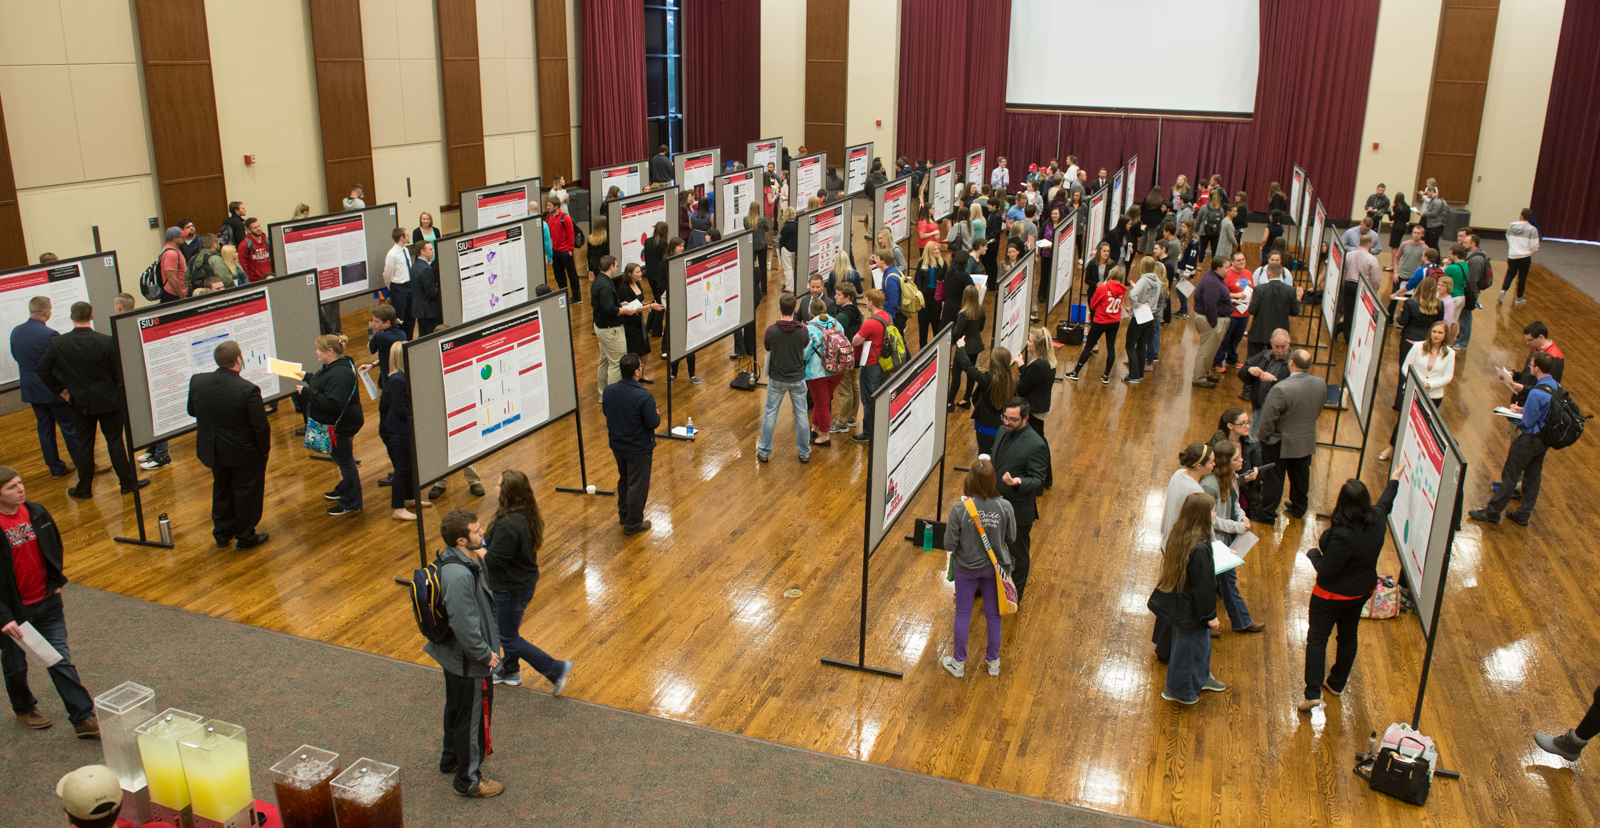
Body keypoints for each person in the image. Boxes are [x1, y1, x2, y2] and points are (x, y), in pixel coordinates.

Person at [0, 467, 99, 738]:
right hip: (14, 614)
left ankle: (83, 718)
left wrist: (55, 584)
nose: (20, 489)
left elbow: (54, 545)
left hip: (47, 601)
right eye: (11, 487)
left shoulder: (36, 512)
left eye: (20, 483)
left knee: (60, 660)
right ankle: (23, 707)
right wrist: (3, 616)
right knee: (16, 665)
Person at [1299, 472, 1400, 711]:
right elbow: (1386, 501)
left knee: (1317, 639)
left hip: (1330, 595)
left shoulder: (1342, 535)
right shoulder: (1377, 517)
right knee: (1347, 635)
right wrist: (1394, 479)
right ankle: (1336, 683)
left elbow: (1328, 569)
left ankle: (1313, 691)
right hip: (1361, 591)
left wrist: (1313, 552)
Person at [424, 509, 503, 798]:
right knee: (472, 720)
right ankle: (468, 781)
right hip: (470, 663)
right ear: (461, 539)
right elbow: (465, 626)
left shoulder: (455, 560)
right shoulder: (459, 578)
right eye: (476, 531)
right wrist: (485, 655)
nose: (482, 533)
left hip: (454, 658)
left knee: (456, 709)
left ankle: (451, 759)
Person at [36, 303, 146, 497]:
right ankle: (127, 483)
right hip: (109, 401)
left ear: (71, 317)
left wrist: (60, 390)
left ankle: (84, 488)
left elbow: (43, 370)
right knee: (115, 441)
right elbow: (119, 373)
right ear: (92, 316)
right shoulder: (106, 341)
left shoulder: (59, 343)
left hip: (79, 401)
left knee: (84, 444)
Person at [484, 469, 572, 693]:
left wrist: (477, 546)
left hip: (510, 588)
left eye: (498, 485)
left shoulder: (507, 524)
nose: (495, 487)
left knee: (508, 638)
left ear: (508, 493)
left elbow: (494, 560)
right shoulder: (526, 515)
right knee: (509, 630)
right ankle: (510, 670)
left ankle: (556, 669)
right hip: (522, 583)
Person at [187, 341, 271, 548]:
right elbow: (260, 427)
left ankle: (222, 534)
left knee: (222, 489)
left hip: (214, 450)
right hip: (244, 453)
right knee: (246, 493)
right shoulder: (248, 390)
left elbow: (192, 411)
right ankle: (245, 536)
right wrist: (263, 452)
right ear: (238, 360)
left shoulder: (198, 381)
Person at [940, 458, 1015, 678]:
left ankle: (958, 663)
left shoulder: (959, 509)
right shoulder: (1005, 506)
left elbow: (949, 544)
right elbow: (1011, 537)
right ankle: (993, 662)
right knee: (993, 616)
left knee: (963, 614)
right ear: (993, 479)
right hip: (995, 569)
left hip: (966, 568)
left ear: (970, 479)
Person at [1471, 351, 1560, 526]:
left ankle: (1493, 512)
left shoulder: (1535, 393)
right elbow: (1542, 412)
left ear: (1538, 368)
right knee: (1533, 477)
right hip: (1544, 440)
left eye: (1532, 365)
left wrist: (1511, 414)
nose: (1530, 368)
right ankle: (1523, 515)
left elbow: (1527, 422)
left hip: (1529, 440)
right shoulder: (1556, 386)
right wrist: (1523, 410)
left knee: (1510, 476)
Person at [1151, 491, 1223, 704]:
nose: (1215, 513)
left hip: (1181, 603)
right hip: (1191, 610)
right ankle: (1179, 690)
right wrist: (1210, 615)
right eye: (1212, 510)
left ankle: (1200, 678)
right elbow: (1203, 587)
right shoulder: (1199, 547)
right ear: (1202, 515)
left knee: (1198, 647)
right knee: (1189, 650)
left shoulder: (1181, 533)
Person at [10, 298, 80, 481]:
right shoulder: (50, 335)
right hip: (53, 390)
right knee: (69, 427)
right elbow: (60, 363)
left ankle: (56, 469)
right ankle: (82, 465)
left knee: (45, 429)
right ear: (47, 312)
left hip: (31, 390)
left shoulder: (16, 332)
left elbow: (16, 356)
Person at [1201, 441, 1265, 636]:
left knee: (1228, 581)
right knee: (1208, 584)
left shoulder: (1230, 478)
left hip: (1226, 539)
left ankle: (1240, 621)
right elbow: (1210, 521)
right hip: (1213, 541)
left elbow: (1235, 503)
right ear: (1224, 462)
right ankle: (1210, 625)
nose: (1242, 460)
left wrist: (1242, 517)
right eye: (1237, 458)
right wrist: (1237, 526)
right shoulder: (1208, 486)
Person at [296, 334, 364, 516]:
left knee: (345, 462)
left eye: (319, 349)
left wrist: (308, 392)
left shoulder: (339, 374)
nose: (316, 352)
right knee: (343, 459)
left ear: (330, 351)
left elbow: (334, 403)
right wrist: (307, 377)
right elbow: (324, 384)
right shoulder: (336, 365)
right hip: (338, 425)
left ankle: (352, 501)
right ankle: (344, 488)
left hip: (340, 427)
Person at [989, 398, 1048, 600]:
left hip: (1017, 511)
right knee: (992, 551)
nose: (1007, 422)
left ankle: (1015, 596)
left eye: (1012, 419)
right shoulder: (1001, 431)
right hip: (994, 505)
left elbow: (1038, 480)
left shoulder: (1036, 444)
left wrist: (1018, 482)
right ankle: (989, 588)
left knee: (1018, 556)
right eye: (1005, 417)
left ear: (1025, 418)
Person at [1252, 350, 1322, 520]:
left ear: (1291, 363)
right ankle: (1299, 508)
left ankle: (1268, 513)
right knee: (1301, 476)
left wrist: (1263, 438)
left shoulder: (1281, 388)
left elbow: (1268, 419)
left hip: (1280, 441)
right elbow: (1318, 410)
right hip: (1305, 439)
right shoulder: (1320, 383)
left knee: (1274, 478)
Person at [1379, 320, 1454, 460]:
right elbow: (1405, 367)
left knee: (1424, 426)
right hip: (1412, 390)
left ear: (1445, 335)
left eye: (1440, 332)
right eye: (1434, 331)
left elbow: (1448, 377)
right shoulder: (1418, 347)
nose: (1436, 335)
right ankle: (1391, 448)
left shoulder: (1450, 354)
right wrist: (1416, 381)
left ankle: (1414, 455)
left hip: (1434, 395)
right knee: (1403, 420)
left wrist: (1429, 385)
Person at [602, 354, 659, 535]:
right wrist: (655, 414)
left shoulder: (609, 391)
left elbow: (606, 411)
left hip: (618, 445)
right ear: (636, 371)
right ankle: (633, 524)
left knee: (624, 480)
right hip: (638, 448)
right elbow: (653, 423)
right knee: (637, 485)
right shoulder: (644, 397)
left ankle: (624, 515)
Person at [757, 294, 812, 463]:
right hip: (797, 378)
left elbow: (768, 347)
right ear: (795, 310)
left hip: (777, 379)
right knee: (802, 415)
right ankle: (804, 452)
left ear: (780, 308)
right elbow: (805, 344)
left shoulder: (771, 331)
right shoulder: (803, 330)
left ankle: (765, 451)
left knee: (770, 414)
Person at [375, 340, 420, 521]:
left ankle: (409, 498)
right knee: (401, 469)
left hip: (403, 430)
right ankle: (398, 507)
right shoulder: (397, 379)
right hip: (399, 431)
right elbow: (401, 409)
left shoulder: (401, 377)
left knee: (408, 467)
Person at [952, 342, 1015, 456]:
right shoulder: (1012, 381)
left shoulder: (988, 379)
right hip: (1004, 428)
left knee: (984, 457)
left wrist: (960, 347)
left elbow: (968, 367)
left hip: (986, 429)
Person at [1066, 265, 1127, 384]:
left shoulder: (1103, 288)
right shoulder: (1122, 290)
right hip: (1114, 322)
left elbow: (1093, 304)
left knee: (1089, 346)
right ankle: (1106, 376)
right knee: (1111, 347)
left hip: (1100, 321)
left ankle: (1075, 372)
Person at [849, 289, 893, 443]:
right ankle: (882, 428)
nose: (866, 303)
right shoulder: (888, 317)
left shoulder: (870, 322)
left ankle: (868, 433)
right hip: (885, 363)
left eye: (867, 300)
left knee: (868, 400)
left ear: (871, 302)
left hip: (870, 364)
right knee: (880, 397)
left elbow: (855, 341)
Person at [1015, 327, 1057, 487]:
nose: (1027, 343)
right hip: (1041, 407)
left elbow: (1022, 386)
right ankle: (1046, 478)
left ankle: (1043, 478)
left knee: (1037, 445)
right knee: (1041, 442)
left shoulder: (1037, 366)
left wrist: (1021, 369)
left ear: (1037, 346)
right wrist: (1022, 365)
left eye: (1030, 341)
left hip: (1034, 410)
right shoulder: (1048, 363)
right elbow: (1031, 379)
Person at [802, 297, 844, 447]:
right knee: (824, 400)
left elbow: (805, 354)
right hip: (838, 370)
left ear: (810, 311)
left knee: (821, 404)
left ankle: (824, 436)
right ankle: (815, 428)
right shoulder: (836, 323)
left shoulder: (809, 329)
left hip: (817, 372)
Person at [590, 255, 629, 398]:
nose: (617, 268)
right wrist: (626, 310)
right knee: (616, 363)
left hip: (601, 328)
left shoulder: (598, 280)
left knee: (604, 360)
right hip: (610, 329)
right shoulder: (606, 285)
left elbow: (601, 304)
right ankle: (612, 397)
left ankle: (603, 394)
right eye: (616, 266)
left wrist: (619, 304)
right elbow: (609, 309)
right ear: (611, 266)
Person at [1190, 258, 1232, 388]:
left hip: (1212, 319)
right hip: (1211, 321)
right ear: (1218, 269)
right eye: (1227, 267)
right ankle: (1199, 378)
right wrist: (1214, 324)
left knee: (1211, 350)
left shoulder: (1212, 277)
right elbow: (1210, 304)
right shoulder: (1213, 282)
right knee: (1206, 351)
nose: (1229, 270)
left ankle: (1205, 373)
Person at [1123, 257, 1163, 383]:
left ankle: (1133, 375)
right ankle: (1140, 373)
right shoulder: (1157, 281)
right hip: (1150, 315)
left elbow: (1133, 294)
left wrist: (1136, 305)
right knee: (1142, 344)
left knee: (1130, 345)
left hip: (1139, 316)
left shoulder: (1143, 280)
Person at [830, 284, 863, 433]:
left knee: (845, 391)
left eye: (838, 294)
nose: (835, 297)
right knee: (854, 386)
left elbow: (833, 336)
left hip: (843, 357)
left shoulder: (842, 316)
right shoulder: (856, 310)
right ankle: (851, 418)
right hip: (854, 355)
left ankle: (842, 423)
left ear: (847, 297)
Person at [618, 263, 660, 381]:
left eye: (640, 271)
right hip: (630, 324)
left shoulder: (637, 284)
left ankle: (642, 373)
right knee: (635, 351)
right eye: (637, 272)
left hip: (640, 322)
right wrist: (649, 306)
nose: (641, 273)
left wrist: (645, 304)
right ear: (630, 274)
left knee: (645, 350)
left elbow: (638, 303)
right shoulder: (624, 289)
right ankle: (634, 376)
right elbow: (631, 308)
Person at [1507, 321, 1564, 407]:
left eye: (1530, 340)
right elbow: (1527, 375)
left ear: (1541, 337)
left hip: (1533, 406)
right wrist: (1513, 375)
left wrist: (1523, 389)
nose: (1527, 343)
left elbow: (1550, 390)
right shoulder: (1535, 349)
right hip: (1522, 401)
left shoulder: (1555, 358)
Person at [1246, 266, 1299, 360]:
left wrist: (1251, 301)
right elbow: (1294, 312)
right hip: (1280, 334)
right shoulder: (1291, 290)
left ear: (1269, 273)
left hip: (1259, 332)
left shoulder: (1259, 289)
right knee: (1277, 362)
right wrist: (1297, 300)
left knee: (1254, 361)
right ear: (1281, 273)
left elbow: (1252, 311)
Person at [1239, 329, 1292, 412]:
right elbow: (1241, 372)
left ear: (1289, 344)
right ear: (1271, 343)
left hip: (1279, 413)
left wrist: (1274, 380)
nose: (1280, 351)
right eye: (1276, 347)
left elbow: (1293, 390)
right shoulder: (1263, 355)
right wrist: (1249, 370)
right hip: (1258, 409)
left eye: (1283, 347)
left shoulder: (1293, 363)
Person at [1501, 208, 1539, 305]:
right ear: (1530, 217)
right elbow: (1534, 245)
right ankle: (1519, 297)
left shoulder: (1511, 226)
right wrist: (1530, 251)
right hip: (1525, 256)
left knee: (1510, 273)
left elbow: (1508, 238)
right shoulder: (1532, 229)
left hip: (1512, 255)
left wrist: (1514, 247)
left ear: (1521, 215)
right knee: (1522, 276)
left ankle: (1503, 290)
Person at [545, 197, 580, 301]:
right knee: (559, 275)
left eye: (550, 205)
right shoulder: (548, 216)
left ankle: (576, 296)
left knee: (572, 275)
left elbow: (570, 234)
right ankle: (563, 294)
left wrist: (570, 250)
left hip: (565, 251)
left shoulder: (565, 217)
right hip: (555, 250)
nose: (548, 207)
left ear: (556, 206)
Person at [913, 242, 945, 348]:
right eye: (934, 249)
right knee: (923, 326)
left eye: (937, 249)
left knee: (936, 325)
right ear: (929, 251)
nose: (936, 251)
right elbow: (917, 281)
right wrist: (921, 299)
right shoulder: (921, 263)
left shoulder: (942, 264)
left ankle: (937, 349)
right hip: (924, 297)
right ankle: (922, 350)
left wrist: (944, 299)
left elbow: (946, 282)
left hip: (937, 297)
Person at [383, 228, 414, 335]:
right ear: (402, 238)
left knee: (410, 316)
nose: (409, 237)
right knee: (399, 316)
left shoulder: (405, 250)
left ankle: (409, 339)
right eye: (407, 235)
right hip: (399, 287)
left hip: (409, 286)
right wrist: (391, 287)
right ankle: (399, 340)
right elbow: (387, 273)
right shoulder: (392, 254)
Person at [410, 241, 442, 335]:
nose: (433, 251)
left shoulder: (414, 266)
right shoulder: (426, 269)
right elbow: (431, 292)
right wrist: (442, 290)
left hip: (419, 311)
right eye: (430, 249)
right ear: (422, 251)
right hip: (429, 312)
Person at [157, 227, 189, 302]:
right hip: (174, 294)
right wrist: (182, 296)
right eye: (181, 237)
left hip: (179, 292)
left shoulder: (173, 249)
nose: (184, 238)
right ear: (175, 239)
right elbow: (171, 278)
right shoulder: (171, 253)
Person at [238, 217, 272, 282]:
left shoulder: (268, 241)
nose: (258, 229)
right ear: (249, 230)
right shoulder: (244, 245)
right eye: (255, 228)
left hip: (269, 277)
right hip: (255, 280)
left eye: (258, 226)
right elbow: (243, 265)